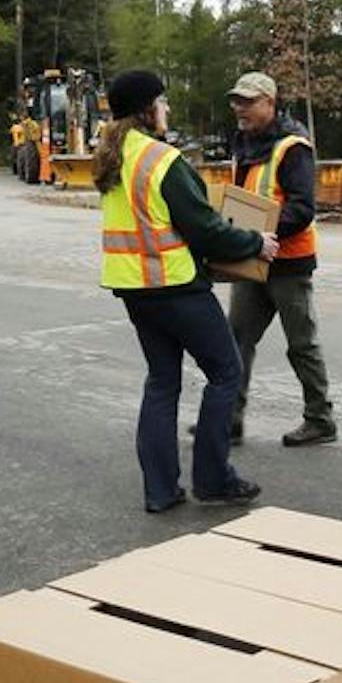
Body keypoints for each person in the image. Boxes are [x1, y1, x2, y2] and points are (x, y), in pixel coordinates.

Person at [95, 68, 275, 513]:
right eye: (162, 100)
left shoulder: (113, 156)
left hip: (135, 289)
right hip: (176, 287)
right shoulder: (161, 160)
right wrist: (256, 243)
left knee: (162, 381)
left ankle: (160, 490)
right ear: (146, 109)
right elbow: (207, 230)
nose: (168, 108)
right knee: (226, 373)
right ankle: (213, 481)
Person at [220, 71, 335, 447]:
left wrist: (263, 235)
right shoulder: (244, 143)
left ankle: (320, 420)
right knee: (235, 340)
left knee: (302, 344)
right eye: (237, 101)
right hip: (252, 258)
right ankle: (230, 420)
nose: (240, 108)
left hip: (288, 262)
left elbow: (302, 209)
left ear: (270, 102)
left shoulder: (293, 147)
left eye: (248, 101)